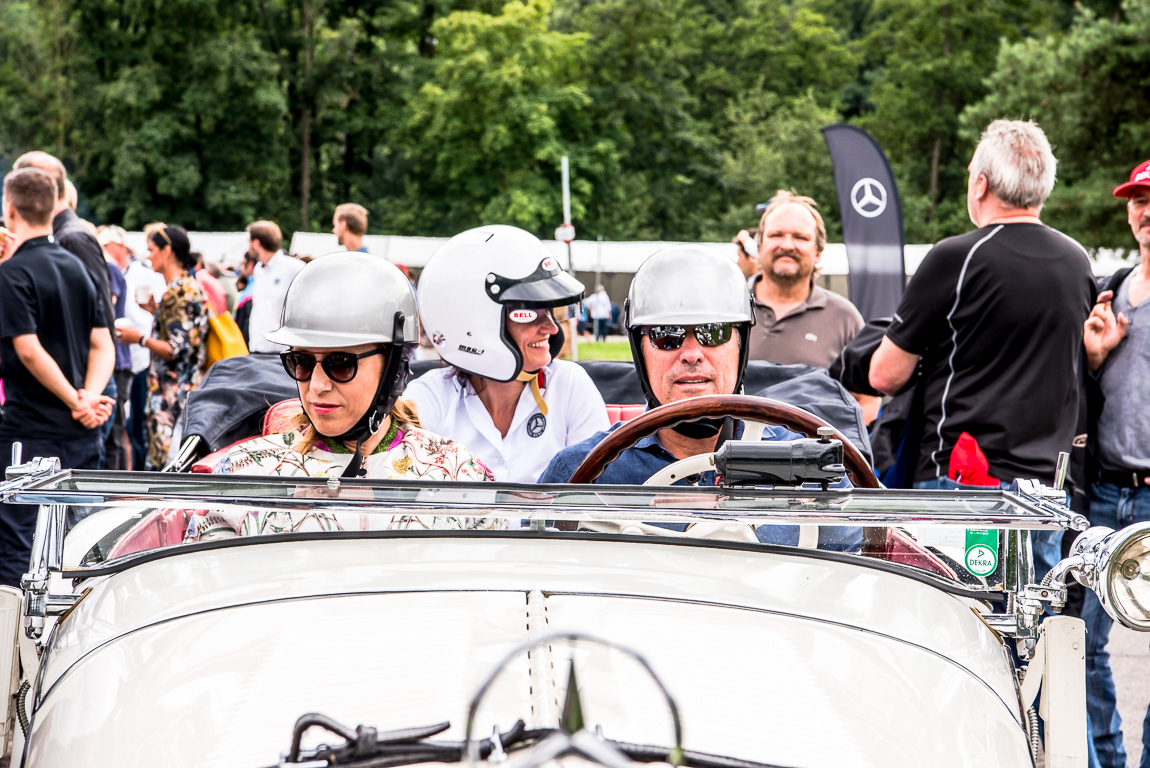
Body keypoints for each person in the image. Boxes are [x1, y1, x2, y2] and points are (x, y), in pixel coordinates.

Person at [868, 119, 1094, 582]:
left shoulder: (957, 256)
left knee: (952, 629)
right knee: (1028, 635)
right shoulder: (1077, 261)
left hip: (962, 479)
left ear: (981, 184)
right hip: (1045, 490)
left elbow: (884, 376)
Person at [538, 246, 858, 549]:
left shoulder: (813, 470)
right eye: (667, 336)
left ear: (741, 344)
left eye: (713, 332)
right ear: (640, 350)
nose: (692, 354)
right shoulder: (581, 475)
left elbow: (859, 577)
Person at [189, 253, 495, 539]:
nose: (317, 385)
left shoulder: (458, 476)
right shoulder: (242, 476)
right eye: (302, 362)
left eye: (341, 364)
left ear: (394, 368)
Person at [404, 225, 610, 484]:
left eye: (548, 311)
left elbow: (598, 494)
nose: (550, 328)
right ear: (474, 323)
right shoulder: (428, 398)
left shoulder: (570, 385)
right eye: (529, 314)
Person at [0, 167, 114, 586]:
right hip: (82, 431)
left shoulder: (13, 274)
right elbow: (104, 343)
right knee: (79, 540)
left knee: (17, 543)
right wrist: (89, 397)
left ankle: (12, 647)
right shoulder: (74, 266)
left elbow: (28, 350)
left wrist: (75, 399)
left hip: (31, 430)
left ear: (8, 209)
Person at [1078, 159, 1150, 768]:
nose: (1146, 210)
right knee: (1085, 641)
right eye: (1137, 199)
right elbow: (1096, 388)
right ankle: (1107, 759)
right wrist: (1097, 358)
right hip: (1105, 491)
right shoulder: (1114, 287)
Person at [14, 151, 119, 464]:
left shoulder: (72, 237)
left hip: (84, 381)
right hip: (75, 385)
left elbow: (100, 317)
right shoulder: (59, 236)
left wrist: (85, 394)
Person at [115, 226, 209, 469]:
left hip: (171, 397)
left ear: (167, 251)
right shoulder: (188, 286)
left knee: (165, 466)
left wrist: (139, 338)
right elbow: (185, 335)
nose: (148, 256)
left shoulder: (177, 292)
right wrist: (154, 312)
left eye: (152, 249)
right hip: (183, 391)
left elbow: (174, 349)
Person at [747, 191, 864, 368]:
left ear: (817, 252)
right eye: (776, 235)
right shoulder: (727, 308)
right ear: (760, 246)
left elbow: (863, 396)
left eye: (800, 237)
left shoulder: (845, 319)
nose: (787, 246)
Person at [246, 220, 303, 354]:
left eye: (249, 242)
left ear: (256, 243)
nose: (248, 247)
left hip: (281, 350)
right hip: (257, 347)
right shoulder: (258, 269)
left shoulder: (294, 267)